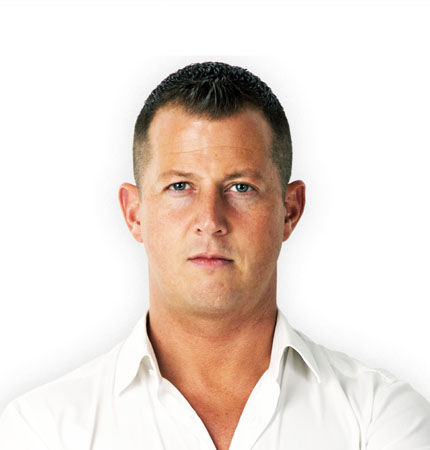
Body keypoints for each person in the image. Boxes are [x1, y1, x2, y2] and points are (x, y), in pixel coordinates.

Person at [0, 61, 429, 450]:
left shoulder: (380, 416)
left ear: (289, 211)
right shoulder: (44, 429)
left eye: (241, 187)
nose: (210, 220)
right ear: (134, 214)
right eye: (180, 187)